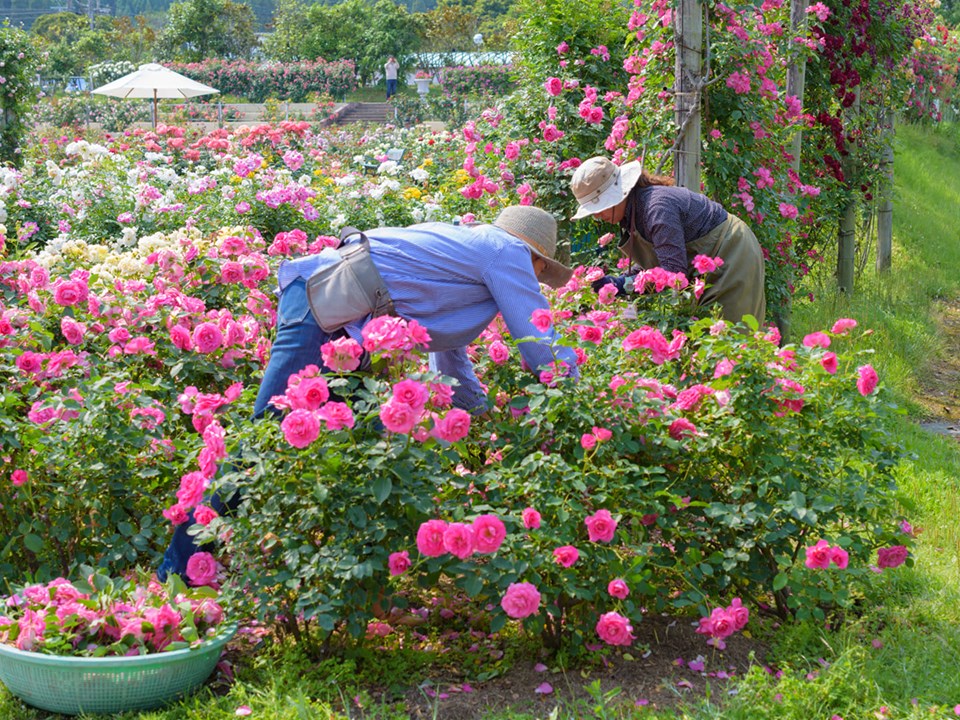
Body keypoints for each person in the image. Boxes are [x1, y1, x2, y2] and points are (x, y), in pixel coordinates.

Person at [157, 206, 578, 581]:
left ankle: (346, 582)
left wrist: (477, 419)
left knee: (364, 448)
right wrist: (574, 397)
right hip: (323, 307)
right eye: (538, 274)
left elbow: (449, 359)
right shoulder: (506, 252)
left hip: (341, 317)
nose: (533, 281)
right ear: (536, 260)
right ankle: (177, 571)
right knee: (262, 439)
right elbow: (542, 347)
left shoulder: (469, 258)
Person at [570, 156, 766, 326]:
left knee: (729, 332)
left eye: (599, 208)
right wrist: (617, 281)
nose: (597, 216)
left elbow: (673, 273)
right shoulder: (633, 212)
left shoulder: (657, 208)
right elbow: (659, 260)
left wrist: (624, 284)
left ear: (619, 195)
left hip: (732, 251)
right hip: (709, 260)